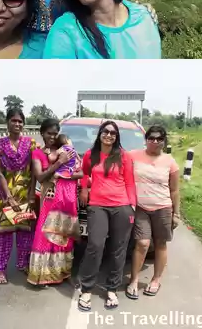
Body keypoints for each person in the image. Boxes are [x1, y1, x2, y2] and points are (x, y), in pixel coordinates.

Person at [77, 120, 137, 312]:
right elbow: (84, 173)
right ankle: (86, 289)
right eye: (106, 131)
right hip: (97, 206)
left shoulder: (124, 156)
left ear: (116, 137)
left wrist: (132, 206)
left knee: (119, 248)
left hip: (121, 206)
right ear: (100, 133)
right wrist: (84, 189)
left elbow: (129, 182)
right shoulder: (90, 154)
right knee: (95, 245)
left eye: (113, 133)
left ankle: (112, 288)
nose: (109, 135)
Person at [126, 124, 181, 300]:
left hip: (163, 208)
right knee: (142, 243)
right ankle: (134, 280)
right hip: (140, 207)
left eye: (159, 139)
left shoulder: (170, 162)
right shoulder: (133, 155)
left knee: (160, 244)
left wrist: (176, 213)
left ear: (164, 142)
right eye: (151, 138)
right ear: (146, 139)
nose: (155, 141)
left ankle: (156, 280)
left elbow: (174, 190)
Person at [27, 119, 81, 286]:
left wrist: (62, 174)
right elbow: (41, 177)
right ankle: (43, 275)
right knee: (46, 235)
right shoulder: (38, 153)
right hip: (49, 200)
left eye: (55, 133)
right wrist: (60, 162)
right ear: (42, 133)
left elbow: (80, 173)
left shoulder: (65, 150)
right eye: (49, 133)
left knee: (64, 235)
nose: (52, 136)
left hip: (67, 199)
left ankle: (62, 273)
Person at [0, 107, 38, 285]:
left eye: (20, 121)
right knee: (3, 234)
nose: (17, 124)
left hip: (25, 195)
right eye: (14, 120)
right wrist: (8, 196)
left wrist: (32, 193)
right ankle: (1, 269)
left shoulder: (31, 144)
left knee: (25, 233)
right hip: (5, 196)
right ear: (7, 123)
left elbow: (34, 170)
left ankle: (22, 263)